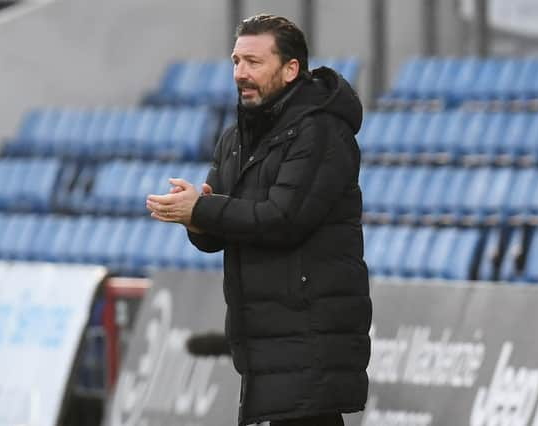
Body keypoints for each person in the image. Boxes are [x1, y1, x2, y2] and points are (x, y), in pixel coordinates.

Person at [147, 14, 371, 426]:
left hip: (310, 334)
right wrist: (194, 217)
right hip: (268, 338)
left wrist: (204, 210)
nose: (240, 73)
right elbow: (218, 234)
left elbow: (283, 220)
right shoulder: (236, 139)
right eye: (235, 61)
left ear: (291, 69)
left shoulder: (321, 132)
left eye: (253, 62)